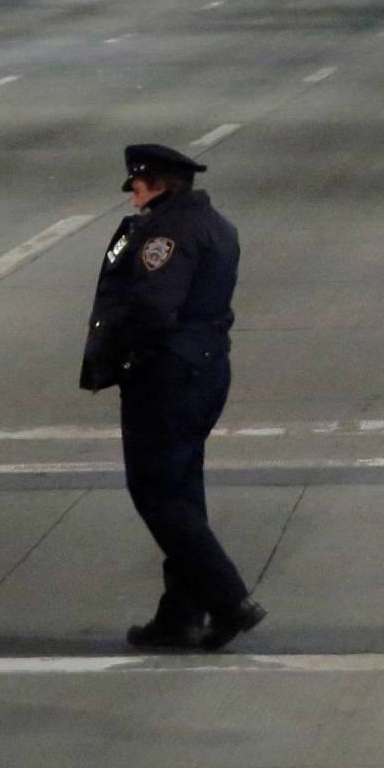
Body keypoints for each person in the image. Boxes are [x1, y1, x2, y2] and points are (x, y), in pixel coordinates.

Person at [80, 141, 264, 651]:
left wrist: (121, 354)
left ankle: (230, 599)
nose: (132, 193)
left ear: (158, 183)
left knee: (157, 494)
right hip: (205, 370)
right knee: (182, 491)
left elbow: (154, 308)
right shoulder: (216, 225)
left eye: (138, 183)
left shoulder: (166, 233)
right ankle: (181, 614)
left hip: (167, 377)